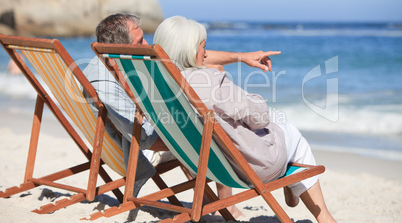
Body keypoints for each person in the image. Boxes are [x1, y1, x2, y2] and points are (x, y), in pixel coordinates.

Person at [153, 16, 336, 223]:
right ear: (189, 51)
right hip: (250, 167)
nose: (206, 54)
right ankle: (323, 216)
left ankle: (295, 189)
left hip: (208, 165)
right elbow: (261, 118)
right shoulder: (209, 82)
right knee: (293, 135)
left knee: (278, 124)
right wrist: (246, 94)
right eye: (203, 48)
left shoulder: (157, 84)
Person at [82, 13, 281, 200]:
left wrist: (241, 57)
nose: (148, 44)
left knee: (209, 77)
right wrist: (192, 136)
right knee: (213, 114)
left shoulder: (116, 62)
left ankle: (219, 202)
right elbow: (143, 137)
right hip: (143, 149)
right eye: (140, 41)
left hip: (155, 133)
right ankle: (224, 203)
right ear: (122, 47)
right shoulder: (105, 82)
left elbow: (188, 55)